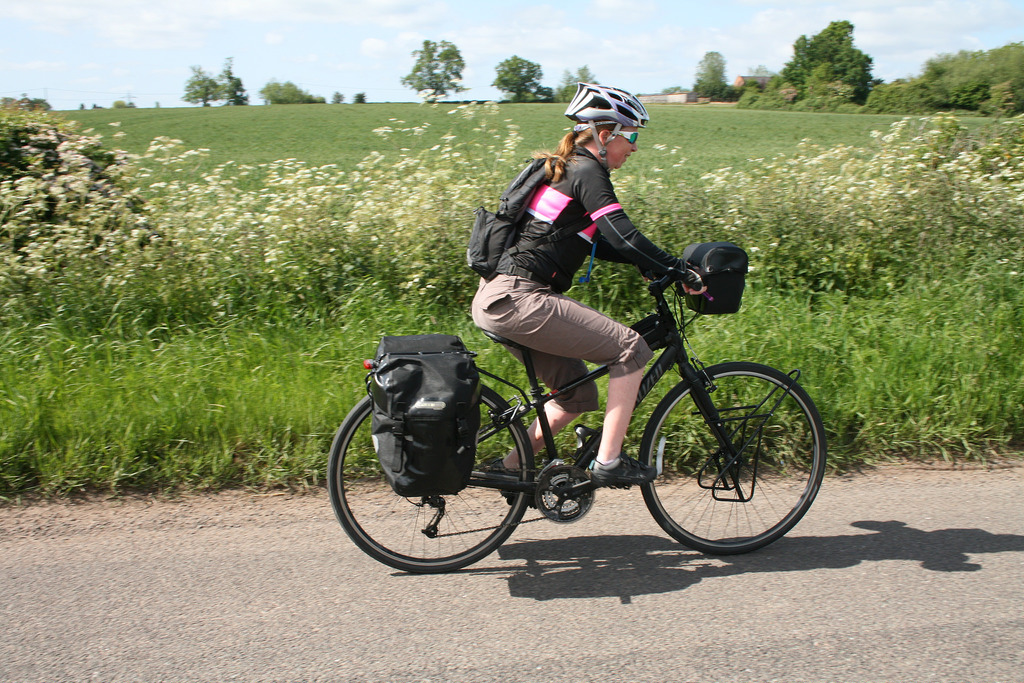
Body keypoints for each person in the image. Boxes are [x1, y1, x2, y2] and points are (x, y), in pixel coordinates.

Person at [471, 82, 706, 487]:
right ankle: (609, 462)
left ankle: (509, 470)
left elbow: (599, 240)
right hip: (519, 299)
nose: (633, 148)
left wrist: (649, 268)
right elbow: (623, 234)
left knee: (576, 398)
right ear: (604, 134)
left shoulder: (567, 170)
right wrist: (679, 270)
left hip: (500, 299)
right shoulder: (587, 171)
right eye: (631, 136)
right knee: (631, 349)